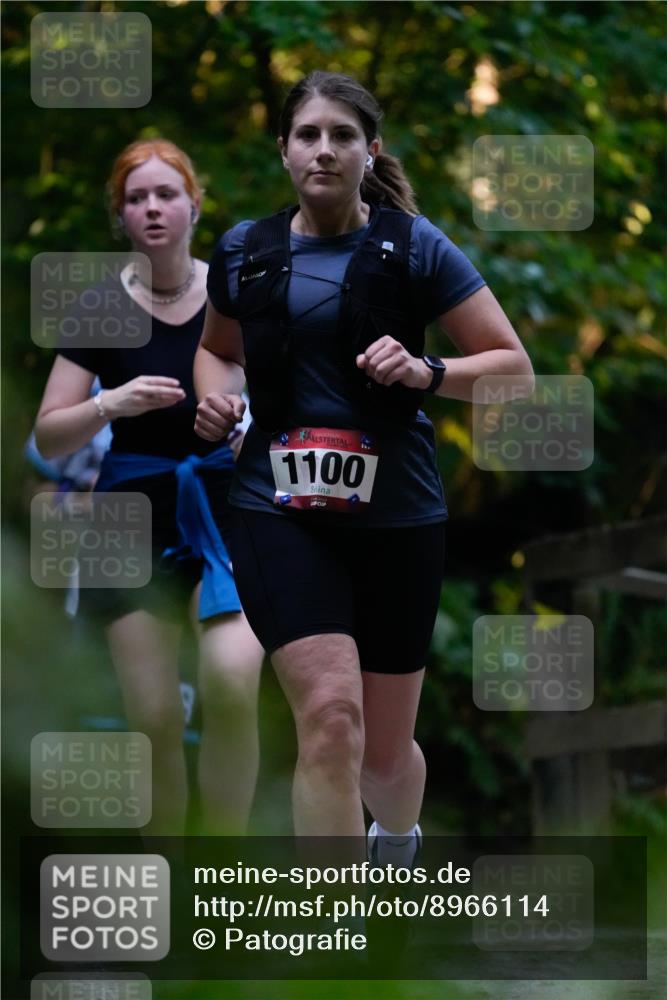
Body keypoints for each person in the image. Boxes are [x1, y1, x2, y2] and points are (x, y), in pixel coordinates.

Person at [194, 72, 533, 862]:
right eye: (307, 134)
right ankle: (339, 938)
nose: (323, 149)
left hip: (395, 515)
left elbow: (512, 367)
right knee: (330, 718)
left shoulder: (415, 246)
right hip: (276, 508)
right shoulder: (245, 250)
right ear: (282, 151)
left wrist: (427, 372)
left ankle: (397, 836)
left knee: (383, 759)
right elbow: (216, 352)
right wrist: (222, 407)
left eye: (341, 135)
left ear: (368, 150)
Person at [34, 139, 264, 836]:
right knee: (155, 717)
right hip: (129, 519)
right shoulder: (100, 308)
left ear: (193, 204)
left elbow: (287, 396)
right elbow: (50, 436)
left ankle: (224, 871)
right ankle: (166, 879)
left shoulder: (234, 297)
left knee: (229, 690)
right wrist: (112, 403)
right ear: (122, 217)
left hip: (227, 508)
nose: (152, 208)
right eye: (137, 199)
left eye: (166, 194)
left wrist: (251, 423)